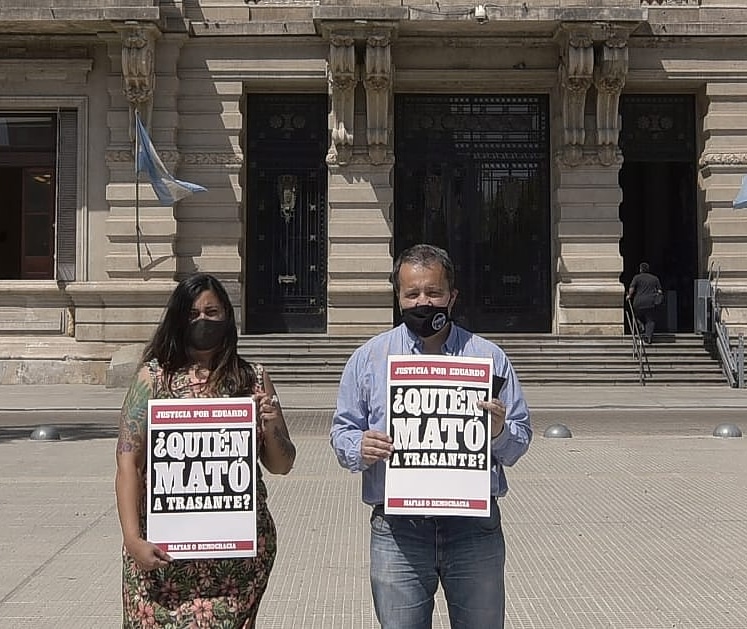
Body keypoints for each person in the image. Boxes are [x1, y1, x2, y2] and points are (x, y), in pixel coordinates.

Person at [330, 244, 532, 629]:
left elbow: (519, 441)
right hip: (398, 531)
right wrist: (360, 446)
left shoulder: (488, 358)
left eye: (433, 292)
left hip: (473, 528)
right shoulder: (368, 359)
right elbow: (342, 432)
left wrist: (500, 431)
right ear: (399, 298)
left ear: (452, 297)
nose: (423, 301)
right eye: (412, 294)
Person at [115, 273, 296, 628]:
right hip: (163, 550)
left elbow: (282, 464)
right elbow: (128, 464)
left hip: (233, 558)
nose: (203, 321)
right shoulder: (152, 379)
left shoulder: (253, 378)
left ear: (227, 316)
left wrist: (271, 422)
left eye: (212, 312)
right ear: (178, 319)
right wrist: (133, 539)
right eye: (193, 313)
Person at [627, 261, 664, 345]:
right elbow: (659, 291)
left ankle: (640, 325)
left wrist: (629, 295)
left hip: (638, 301)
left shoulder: (637, 277)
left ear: (640, 269)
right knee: (650, 320)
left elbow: (632, 288)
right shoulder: (655, 278)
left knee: (635, 316)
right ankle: (648, 337)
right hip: (650, 302)